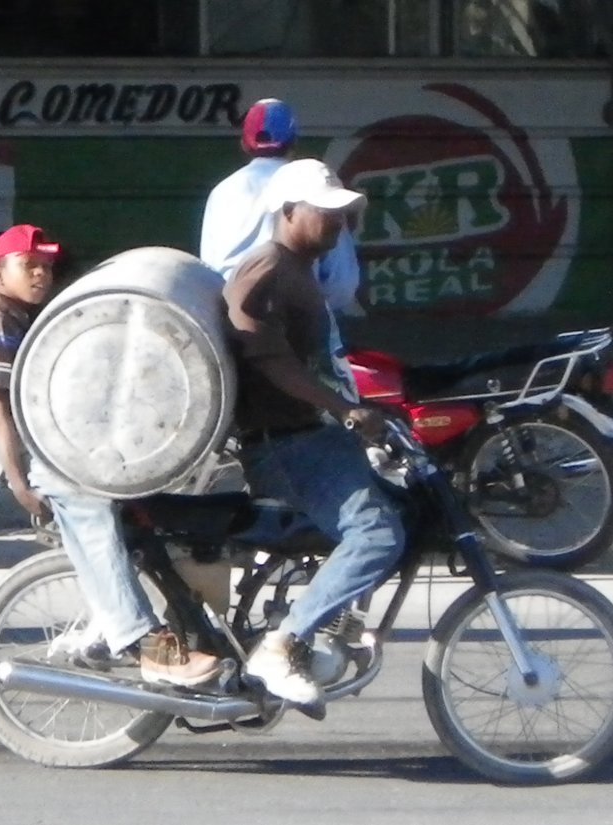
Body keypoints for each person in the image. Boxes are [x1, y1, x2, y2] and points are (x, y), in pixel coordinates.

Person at [0, 224, 220, 687]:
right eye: (29, 266)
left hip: (42, 443)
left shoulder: (34, 322)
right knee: (85, 495)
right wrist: (19, 483)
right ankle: (139, 638)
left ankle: (136, 623)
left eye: (46, 267)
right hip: (7, 450)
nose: (41, 275)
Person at [223, 159, 405, 707]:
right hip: (284, 445)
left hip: (311, 434)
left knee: (406, 505)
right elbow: (266, 360)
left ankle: (335, 626)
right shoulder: (267, 269)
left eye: (341, 213)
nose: (337, 223)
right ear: (287, 213)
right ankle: (284, 644)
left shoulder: (299, 270)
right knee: (377, 535)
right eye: (325, 213)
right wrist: (344, 410)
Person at [200, 97, 361, 402]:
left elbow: (207, 271)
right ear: (293, 141)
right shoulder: (310, 189)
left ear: (244, 144)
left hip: (228, 344)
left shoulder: (221, 193)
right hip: (298, 346)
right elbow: (342, 285)